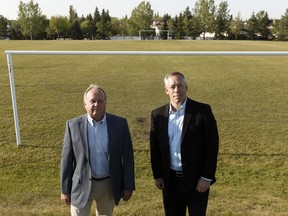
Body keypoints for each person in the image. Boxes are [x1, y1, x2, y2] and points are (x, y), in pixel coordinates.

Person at [150, 72, 219, 216]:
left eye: (180, 86)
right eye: (172, 87)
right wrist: (158, 175)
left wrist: (206, 177)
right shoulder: (157, 115)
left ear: (186, 87)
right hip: (170, 182)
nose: (177, 90)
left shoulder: (203, 111)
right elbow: (155, 149)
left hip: (197, 182)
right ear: (166, 90)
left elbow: (212, 147)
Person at [60, 84, 135, 216]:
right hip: (81, 184)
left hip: (108, 185)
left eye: (100, 101)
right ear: (85, 104)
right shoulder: (73, 126)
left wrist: (128, 185)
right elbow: (66, 160)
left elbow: (128, 157)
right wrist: (65, 189)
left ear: (105, 103)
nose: (96, 104)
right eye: (92, 101)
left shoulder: (120, 124)